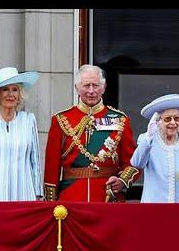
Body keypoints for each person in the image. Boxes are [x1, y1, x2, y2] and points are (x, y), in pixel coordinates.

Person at [43, 65, 140, 202]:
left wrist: (122, 181)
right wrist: (50, 203)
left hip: (107, 197)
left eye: (95, 85)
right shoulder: (61, 119)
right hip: (71, 197)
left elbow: (133, 161)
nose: (91, 91)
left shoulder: (120, 119)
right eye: (86, 85)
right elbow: (51, 167)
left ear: (104, 87)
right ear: (76, 88)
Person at [131, 94, 179, 203]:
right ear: (158, 121)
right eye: (167, 119)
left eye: (177, 118)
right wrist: (148, 137)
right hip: (153, 209)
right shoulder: (146, 138)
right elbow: (137, 163)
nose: (173, 122)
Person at [0, 67, 43, 201]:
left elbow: (35, 160)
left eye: (15, 89)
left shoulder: (28, 120)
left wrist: (38, 193)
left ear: (20, 94)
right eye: (5, 89)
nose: (10, 94)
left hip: (24, 192)